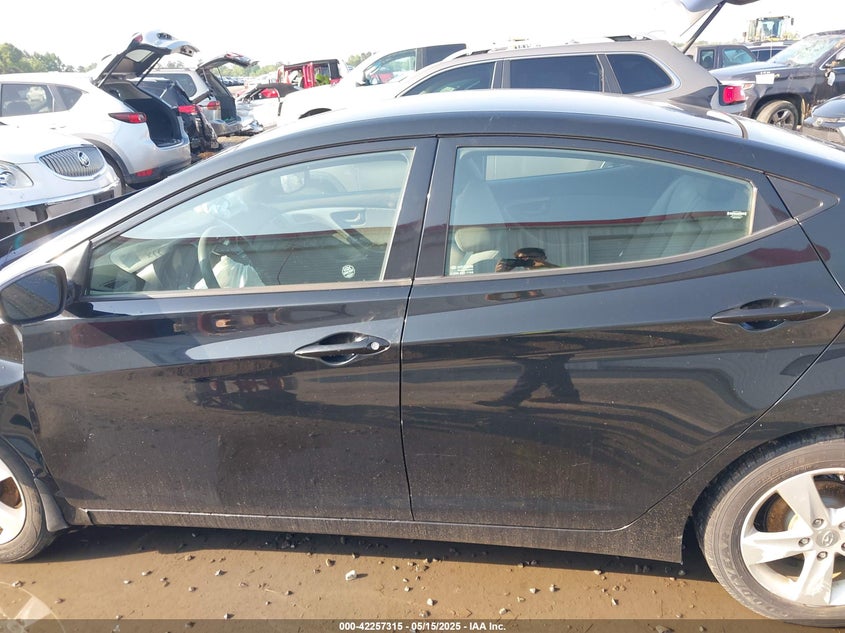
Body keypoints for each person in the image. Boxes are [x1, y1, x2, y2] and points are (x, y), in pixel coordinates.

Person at [495, 247, 559, 272]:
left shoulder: (552, 273)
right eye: (522, 258)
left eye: (532, 257)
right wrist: (500, 275)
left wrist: (547, 265)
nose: (527, 260)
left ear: (543, 258)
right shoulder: (515, 276)